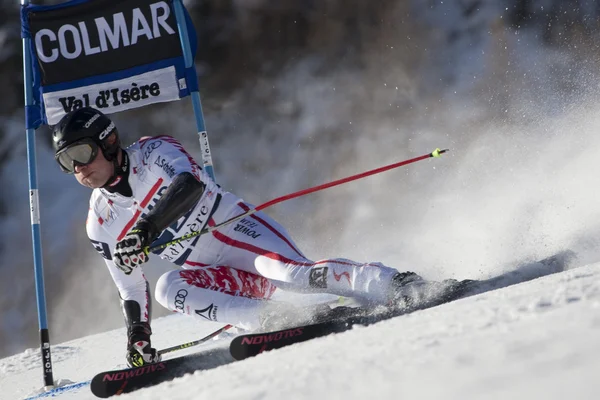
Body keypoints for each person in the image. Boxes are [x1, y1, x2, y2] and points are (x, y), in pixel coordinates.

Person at [52, 107, 444, 368]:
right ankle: (268, 321)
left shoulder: (155, 152)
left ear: (107, 141)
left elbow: (187, 185)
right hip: (209, 268)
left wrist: (145, 229)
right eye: (66, 163)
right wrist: (138, 335)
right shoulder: (100, 220)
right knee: (168, 287)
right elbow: (127, 283)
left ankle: (393, 283)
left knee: (293, 275)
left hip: (234, 230)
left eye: (82, 153)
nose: (78, 169)